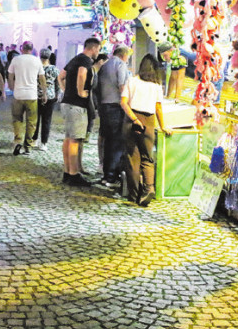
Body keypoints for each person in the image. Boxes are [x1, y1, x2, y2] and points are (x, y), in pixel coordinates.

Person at [120, 53, 172, 207]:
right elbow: (158, 108)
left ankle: (134, 194)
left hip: (131, 121)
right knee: (147, 158)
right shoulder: (156, 86)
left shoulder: (132, 81)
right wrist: (163, 126)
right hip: (149, 121)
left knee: (132, 158)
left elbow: (123, 102)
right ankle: (149, 189)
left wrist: (134, 119)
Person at [56, 37, 101, 187]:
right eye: (98, 50)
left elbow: (61, 76)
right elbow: (82, 73)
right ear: (93, 48)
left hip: (67, 102)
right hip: (77, 105)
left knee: (68, 138)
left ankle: (67, 171)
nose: (98, 53)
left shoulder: (75, 59)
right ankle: (74, 174)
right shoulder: (86, 61)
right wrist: (80, 91)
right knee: (75, 139)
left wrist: (66, 90)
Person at [96, 45, 131, 189]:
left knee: (108, 142)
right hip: (115, 107)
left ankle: (106, 175)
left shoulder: (105, 65)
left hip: (104, 106)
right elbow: (122, 87)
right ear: (124, 55)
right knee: (116, 142)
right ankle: (112, 176)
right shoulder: (120, 65)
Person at [6, 41, 45, 156]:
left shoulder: (16, 60)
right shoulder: (36, 60)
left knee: (17, 119)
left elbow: (10, 75)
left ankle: (18, 140)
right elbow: (42, 78)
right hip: (32, 95)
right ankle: (28, 146)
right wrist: (44, 93)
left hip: (18, 94)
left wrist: (12, 86)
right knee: (31, 122)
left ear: (22, 48)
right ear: (32, 49)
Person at [35, 52, 60, 152]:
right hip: (50, 96)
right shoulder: (54, 69)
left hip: (36, 95)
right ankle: (43, 143)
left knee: (35, 119)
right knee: (47, 120)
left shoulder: (36, 67)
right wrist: (57, 94)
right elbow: (57, 83)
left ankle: (34, 139)